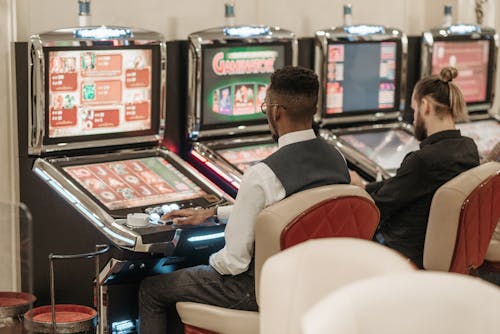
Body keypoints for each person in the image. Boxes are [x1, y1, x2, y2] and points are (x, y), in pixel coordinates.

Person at [138, 66, 350, 333]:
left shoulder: (263, 175)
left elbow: (233, 263)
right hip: (319, 283)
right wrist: (215, 214)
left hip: (258, 292)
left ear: (275, 111)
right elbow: (287, 209)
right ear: (314, 109)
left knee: (152, 289)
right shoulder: (337, 160)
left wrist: (199, 262)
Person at [350, 66, 480, 268]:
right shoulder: (468, 148)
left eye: (414, 109)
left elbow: (376, 208)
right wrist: (364, 187)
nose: (413, 118)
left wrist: (354, 192)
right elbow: (401, 185)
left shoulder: (423, 160)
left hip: (401, 250)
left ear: (425, 106)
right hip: (436, 247)